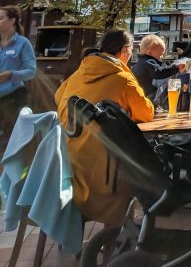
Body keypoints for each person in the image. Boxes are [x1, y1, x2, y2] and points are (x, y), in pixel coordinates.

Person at [55, 29, 154, 224]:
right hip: (104, 172)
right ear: (125, 50)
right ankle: (132, 228)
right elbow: (146, 113)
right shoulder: (122, 78)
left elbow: (58, 97)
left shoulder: (80, 71)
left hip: (68, 164)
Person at [0, 5, 37, 154]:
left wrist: (10, 75)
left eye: (0, 18)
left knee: (7, 144)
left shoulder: (23, 43)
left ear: (12, 20)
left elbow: (31, 71)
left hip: (13, 98)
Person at [132, 34, 183, 102]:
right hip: (146, 97)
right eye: (161, 54)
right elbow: (159, 73)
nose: (161, 57)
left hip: (141, 94)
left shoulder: (139, 63)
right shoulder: (148, 62)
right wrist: (176, 68)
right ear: (149, 51)